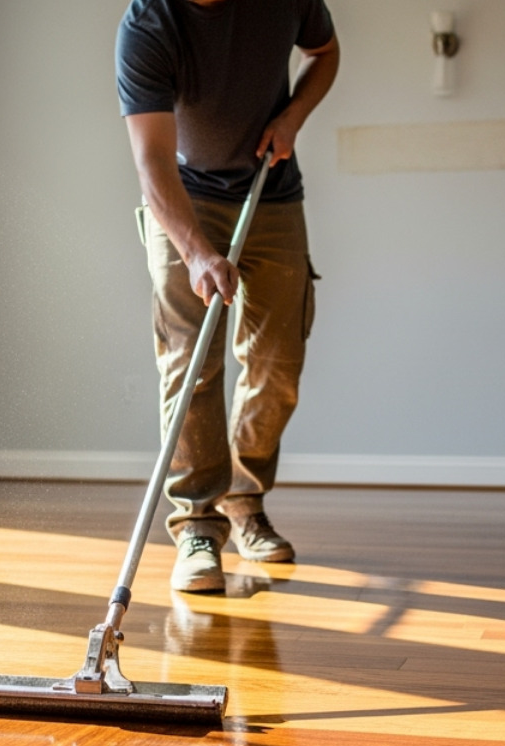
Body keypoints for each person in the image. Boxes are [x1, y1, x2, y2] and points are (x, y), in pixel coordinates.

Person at [116, 0, 339, 592]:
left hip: (272, 193)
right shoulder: (148, 26)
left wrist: (292, 117)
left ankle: (244, 500)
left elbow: (324, 52)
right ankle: (197, 525)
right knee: (191, 363)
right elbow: (152, 159)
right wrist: (195, 253)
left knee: (278, 362)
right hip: (182, 199)